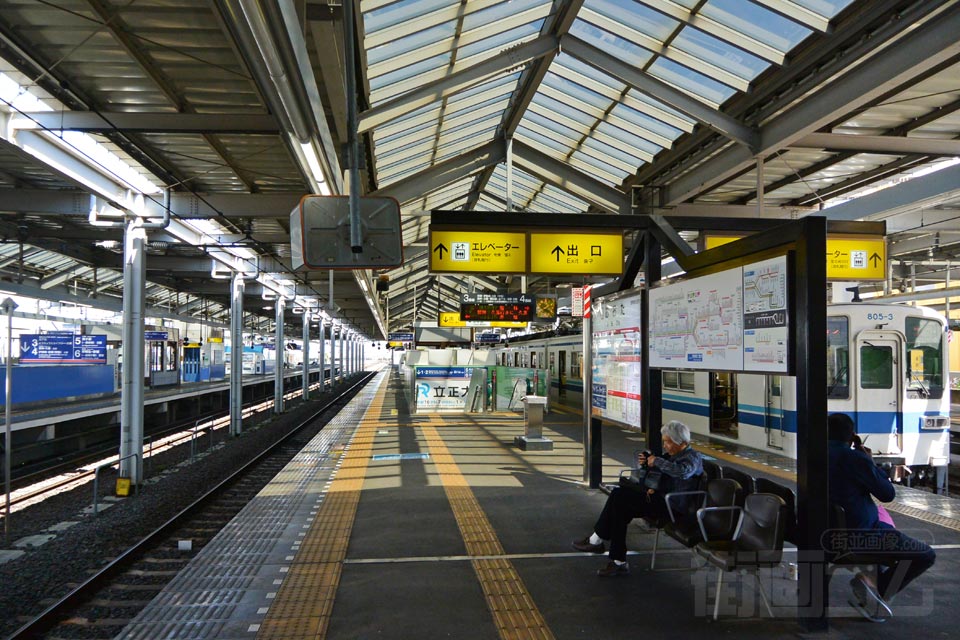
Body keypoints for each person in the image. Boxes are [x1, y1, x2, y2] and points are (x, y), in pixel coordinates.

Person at [828, 412, 936, 622]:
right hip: (860, 536)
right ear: (851, 437)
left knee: (888, 530)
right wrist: (870, 462)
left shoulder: (814, 455)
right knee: (925, 554)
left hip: (822, 531)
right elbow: (887, 494)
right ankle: (876, 590)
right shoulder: (854, 458)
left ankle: (872, 586)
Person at [572, 420, 703, 576]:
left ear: (680, 442)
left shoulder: (692, 457)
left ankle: (598, 542)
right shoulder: (671, 455)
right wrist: (647, 463)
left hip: (672, 506)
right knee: (619, 502)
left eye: (667, 442)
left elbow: (682, 472)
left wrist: (658, 461)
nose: (665, 446)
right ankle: (616, 559)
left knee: (619, 499)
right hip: (658, 499)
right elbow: (658, 472)